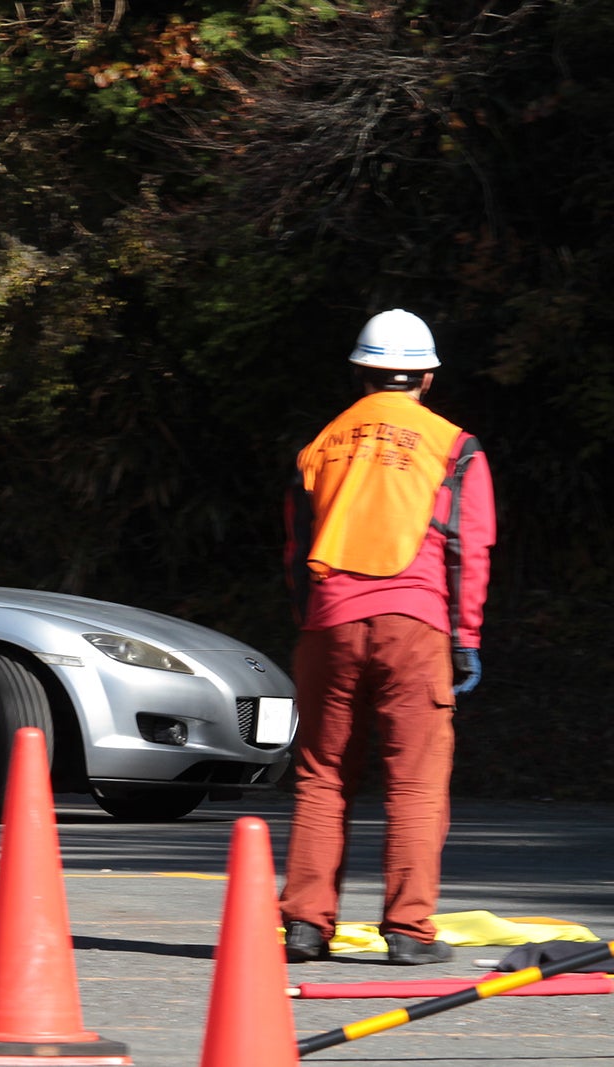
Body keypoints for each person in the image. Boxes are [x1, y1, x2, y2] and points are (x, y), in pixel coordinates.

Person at [279, 309, 496, 966]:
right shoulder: (455, 446)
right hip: (417, 621)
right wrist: (465, 637)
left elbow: (294, 550)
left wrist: (308, 621)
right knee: (416, 783)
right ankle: (407, 930)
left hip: (331, 621)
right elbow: (469, 546)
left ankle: (306, 925)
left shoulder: (320, 443)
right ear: (426, 377)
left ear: (360, 372)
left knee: (322, 776)